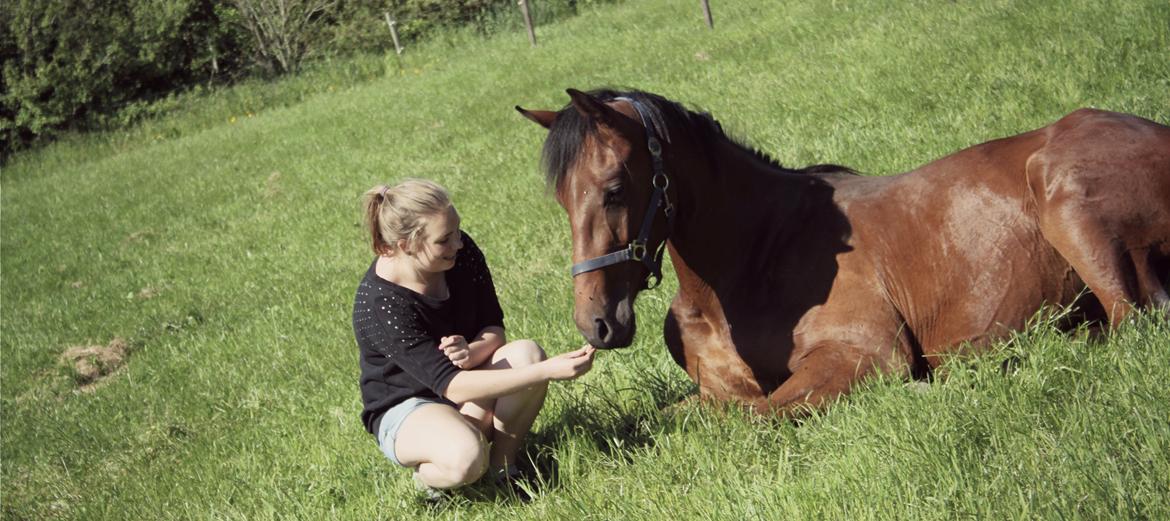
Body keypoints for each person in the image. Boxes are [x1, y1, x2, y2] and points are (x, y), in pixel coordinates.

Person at [353, 178, 596, 496]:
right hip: (408, 405)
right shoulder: (380, 303)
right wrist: (547, 371)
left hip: (464, 381)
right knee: (466, 458)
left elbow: (493, 328)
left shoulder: (461, 254)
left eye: (457, 231)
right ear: (404, 246)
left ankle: (503, 468)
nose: (458, 243)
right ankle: (430, 479)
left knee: (527, 354)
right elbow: (451, 385)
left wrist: (473, 350)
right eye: (444, 240)